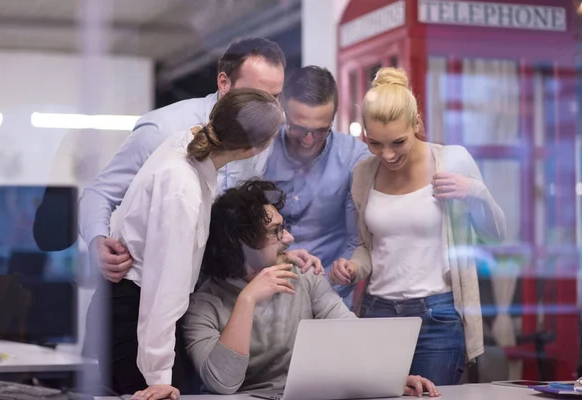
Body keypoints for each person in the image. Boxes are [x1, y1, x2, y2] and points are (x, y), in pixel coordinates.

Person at [89, 88, 285, 399]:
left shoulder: (189, 141)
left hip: (137, 310)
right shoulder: (182, 189)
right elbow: (164, 290)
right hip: (138, 318)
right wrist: (158, 375)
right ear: (255, 149)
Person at [329, 67, 506, 385]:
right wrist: (353, 268)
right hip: (376, 312)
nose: (387, 154)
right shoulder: (363, 173)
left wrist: (475, 193)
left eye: (398, 141)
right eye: (375, 143)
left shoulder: (451, 160)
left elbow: (497, 234)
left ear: (417, 124)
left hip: (437, 317)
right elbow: (369, 247)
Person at [181, 180, 439, 398]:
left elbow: (350, 333)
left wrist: (388, 377)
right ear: (241, 246)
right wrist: (247, 300)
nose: (289, 238)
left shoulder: (303, 277)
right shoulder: (205, 304)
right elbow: (223, 383)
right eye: (276, 231)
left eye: (284, 226)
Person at [78, 37, 287, 282]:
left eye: (276, 97)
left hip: (215, 286)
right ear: (224, 82)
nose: (269, 109)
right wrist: (97, 243)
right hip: (146, 285)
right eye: (259, 97)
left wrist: (278, 252)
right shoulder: (163, 129)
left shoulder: (265, 135)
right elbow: (98, 194)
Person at [263, 66, 370, 303]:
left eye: (321, 131)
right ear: (282, 107)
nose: (308, 140)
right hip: (267, 290)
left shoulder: (354, 158)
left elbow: (356, 238)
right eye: (298, 128)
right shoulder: (262, 150)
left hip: (332, 294)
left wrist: (329, 286)